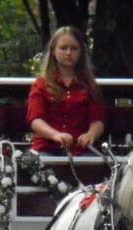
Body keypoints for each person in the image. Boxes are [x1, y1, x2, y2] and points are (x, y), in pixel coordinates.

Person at [26, 26, 106, 155]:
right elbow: (36, 121)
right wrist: (55, 135)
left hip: (81, 151)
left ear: (80, 53)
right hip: (46, 149)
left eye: (74, 48)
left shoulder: (89, 85)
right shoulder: (40, 84)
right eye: (63, 48)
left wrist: (91, 134)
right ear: (53, 51)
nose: (68, 53)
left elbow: (97, 120)